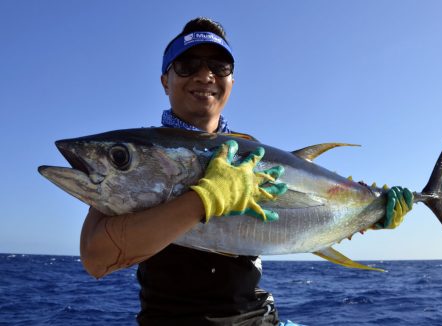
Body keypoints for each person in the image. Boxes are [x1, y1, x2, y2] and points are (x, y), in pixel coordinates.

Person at [80, 17, 413, 326]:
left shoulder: (249, 152)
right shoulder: (138, 154)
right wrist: (203, 200)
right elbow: (97, 258)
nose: (204, 75)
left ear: (231, 81)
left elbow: (304, 216)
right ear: (165, 80)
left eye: (219, 66)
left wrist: (368, 212)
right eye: (187, 65)